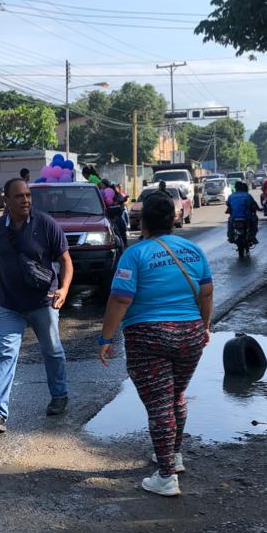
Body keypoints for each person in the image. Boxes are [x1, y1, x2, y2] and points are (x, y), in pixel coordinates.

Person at [98, 192, 213, 497]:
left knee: (160, 403)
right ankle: (172, 456)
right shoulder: (193, 250)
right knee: (176, 395)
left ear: (144, 221)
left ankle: (166, 476)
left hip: (149, 336)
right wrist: (205, 326)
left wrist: (106, 338)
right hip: (190, 334)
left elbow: (121, 298)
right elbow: (207, 293)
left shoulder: (135, 255)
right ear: (174, 219)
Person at [0, 178, 74, 434]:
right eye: (19, 196)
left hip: (43, 301)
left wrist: (63, 289)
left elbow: (66, 260)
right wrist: (4, 292)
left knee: (52, 351)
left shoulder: (45, 224)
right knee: (5, 353)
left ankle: (59, 395)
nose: (26, 200)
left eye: (28, 195)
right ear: (6, 199)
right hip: (10, 305)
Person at [225, 180, 259, 245]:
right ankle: (253, 236)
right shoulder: (248, 195)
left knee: (230, 222)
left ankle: (230, 236)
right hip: (247, 217)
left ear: (235, 188)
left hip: (234, 217)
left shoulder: (231, 196)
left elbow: (228, 204)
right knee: (255, 221)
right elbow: (253, 204)